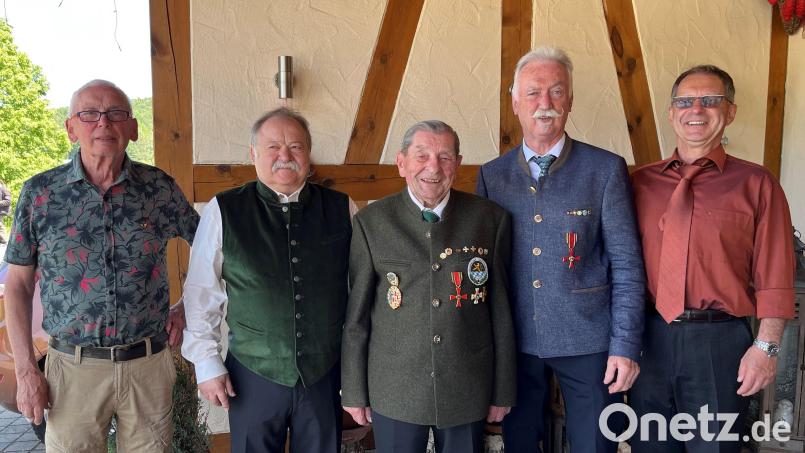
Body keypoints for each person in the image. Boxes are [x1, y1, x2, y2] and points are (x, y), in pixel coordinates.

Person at [3, 79, 198, 452]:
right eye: (89, 114)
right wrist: (27, 370)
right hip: (72, 371)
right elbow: (18, 286)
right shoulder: (41, 194)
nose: (103, 123)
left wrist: (187, 307)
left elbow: (209, 251)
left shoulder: (159, 189)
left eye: (116, 114)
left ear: (133, 128)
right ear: (71, 128)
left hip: (148, 366)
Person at [476, 46, 645, 452]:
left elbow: (626, 264)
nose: (545, 104)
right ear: (514, 101)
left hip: (589, 342)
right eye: (533, 93)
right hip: (514, 345)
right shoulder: (492, 176)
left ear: (570, 99)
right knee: (519, 445)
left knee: (595, 444)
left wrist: (624, 345)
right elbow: (484, 269)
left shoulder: (604, 169)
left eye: (556, 91)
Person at [629, 65, 795, 452]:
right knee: (649, 445)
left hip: (720, 344)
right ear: (672, 113)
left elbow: (775, 275)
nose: (697, 109)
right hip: (649, 339)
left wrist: (766, 349)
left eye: (711, 100)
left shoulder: (757, 184)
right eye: (685, 101)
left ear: (730, 111)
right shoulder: (639, 183)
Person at [181, 107, 352, 453]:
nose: (284, 156)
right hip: (252, 373)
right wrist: (206, 362)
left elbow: (361, 290)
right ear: (253, 154)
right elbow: (201, 291)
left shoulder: (342, 207)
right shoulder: (223, 209)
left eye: (296, 147)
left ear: (308, 153)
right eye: (273, 147)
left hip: (324, 373)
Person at [341, 120, 517, 453]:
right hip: (395, 387)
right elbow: (357, 318)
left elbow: (502, 311)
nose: (433, 167)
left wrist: (503, 388)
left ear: (458, 164)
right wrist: (353, 391)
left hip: (466, 385)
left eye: (445, 157)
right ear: (401, 162)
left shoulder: (489, 219)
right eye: (421, 155)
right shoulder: (372, 222)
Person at [0, 180, 10, 244]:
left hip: (1, 210)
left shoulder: (4, 189)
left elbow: (8, 201)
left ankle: (4, 239)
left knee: (0, 225)